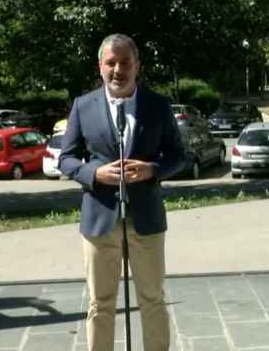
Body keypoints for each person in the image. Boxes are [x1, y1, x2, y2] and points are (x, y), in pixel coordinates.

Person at [59, 33, 185, 351]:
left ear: (137, 66)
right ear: (100, 66)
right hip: (99, 219)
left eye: (125, 62)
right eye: (111, 63)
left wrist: (152, 170)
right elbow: (66, 158)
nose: (118, 70)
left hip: (147, 218)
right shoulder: (82, 106)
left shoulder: (158, 105)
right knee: (100, 303)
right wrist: (94, 173)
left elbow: (178, 156)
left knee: (153, 298)